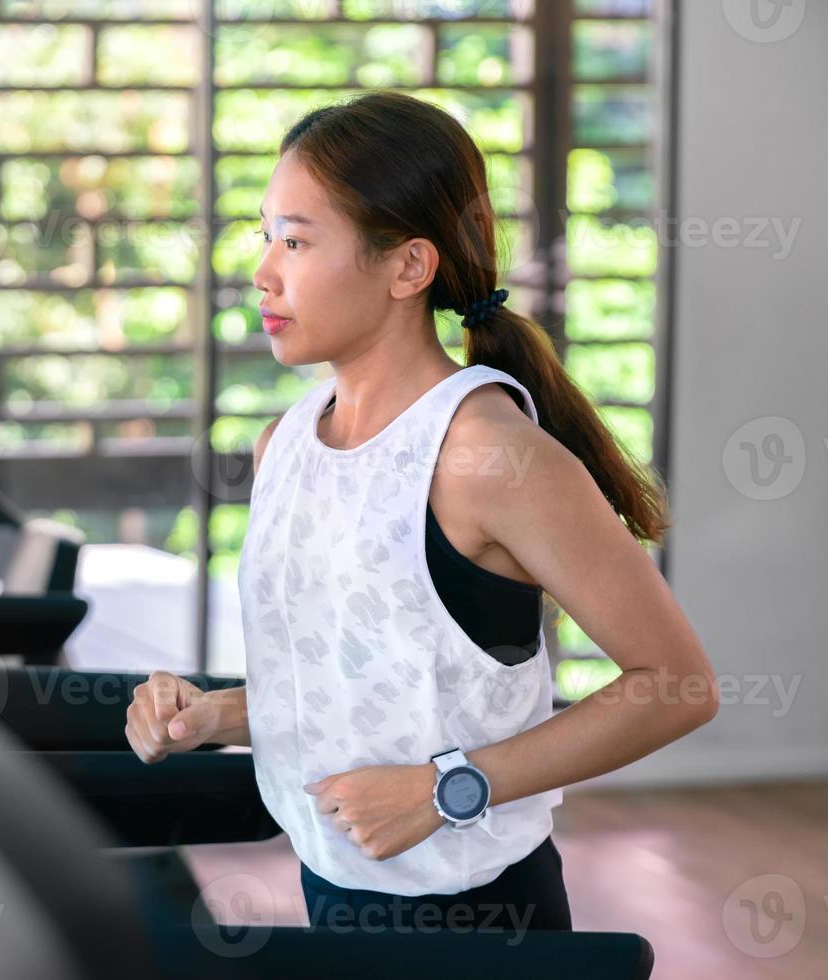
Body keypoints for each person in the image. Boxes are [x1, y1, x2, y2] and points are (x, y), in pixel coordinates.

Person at [123, 92, 719, 935]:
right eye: (265, 236)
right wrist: (216, 713)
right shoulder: (283, 444)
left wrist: (449, 788)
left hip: (473, 915)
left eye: (295, 241)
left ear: (407, 267)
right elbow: (381, 678)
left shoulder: (486, 455)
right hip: (327, 877)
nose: (262, 271)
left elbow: (676, 688)